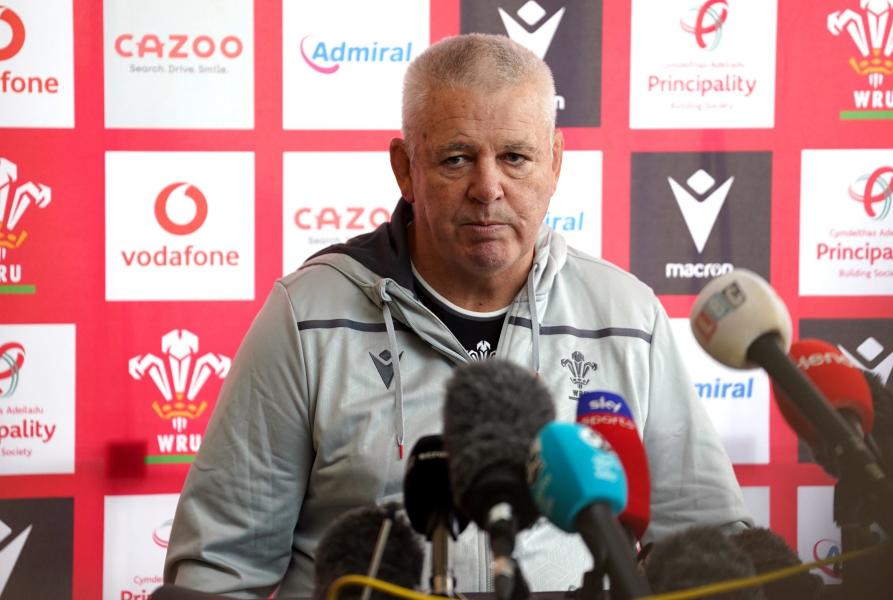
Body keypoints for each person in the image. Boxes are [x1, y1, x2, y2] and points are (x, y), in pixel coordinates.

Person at [163, 33, 751, 598]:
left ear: (555, 162)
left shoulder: (627, 315)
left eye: (516, 157)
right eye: (456, 158)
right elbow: (219, 570)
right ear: (404, 168)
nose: (487, 187)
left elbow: (708, 542)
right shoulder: (306, 316)